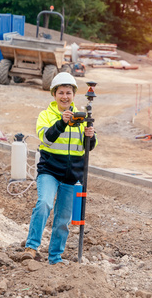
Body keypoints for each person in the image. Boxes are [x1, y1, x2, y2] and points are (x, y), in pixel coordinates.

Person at [22, 72, 97, 264]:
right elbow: (46, 138)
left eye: (68, 92)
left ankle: (55, 257)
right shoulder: (46, 116)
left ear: (74, 95)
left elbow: (86, 148)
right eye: (61, 92)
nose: (65, 96)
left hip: (72, 175)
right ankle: (31, 247)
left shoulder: (82, 118)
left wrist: (91, 135)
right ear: (54, 95)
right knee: (44, 203)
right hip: (50, 170)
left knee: (63, 219)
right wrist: (62, 122)